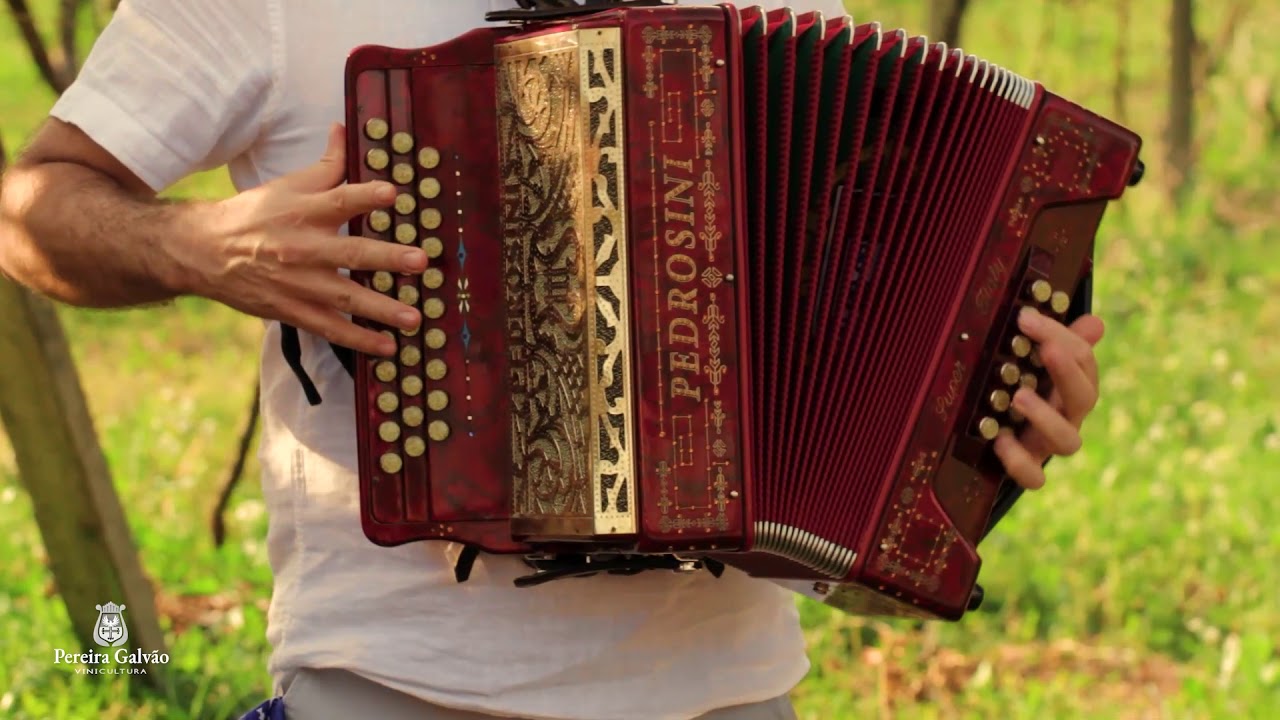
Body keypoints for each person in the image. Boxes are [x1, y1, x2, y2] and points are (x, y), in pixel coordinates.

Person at [0, 1, 1108, 718]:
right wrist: (199, 246)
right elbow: (35, 207)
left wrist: (978, 435)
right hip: (397, 687)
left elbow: (852, 402)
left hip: (730, 695)